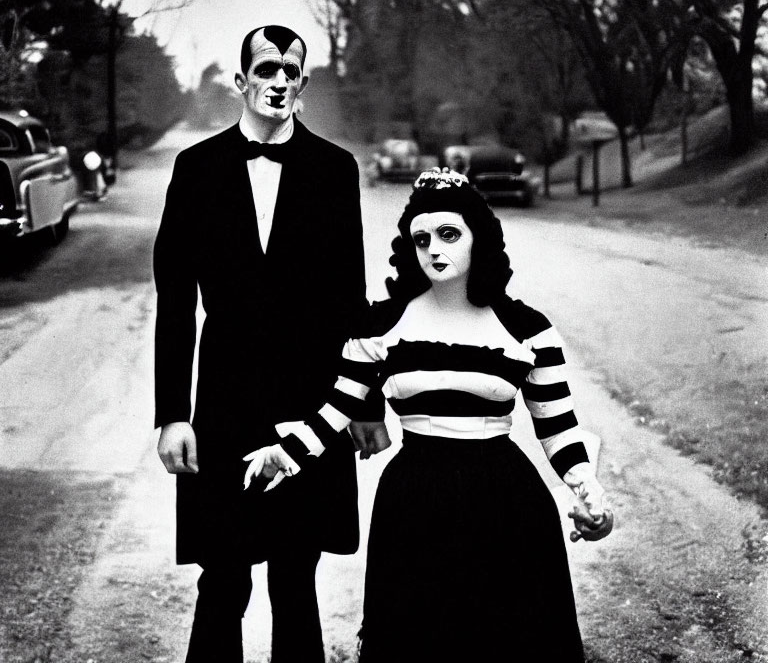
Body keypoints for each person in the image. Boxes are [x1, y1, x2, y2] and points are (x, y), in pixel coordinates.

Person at [244, 167, 614, 663]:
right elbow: (336, 411)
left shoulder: (527, 329)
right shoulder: (381, 326)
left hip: (507, 503)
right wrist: (284, 454)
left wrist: (588, 489)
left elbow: (558, 427)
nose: (434, 249)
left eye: (448, 234)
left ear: (477, 238)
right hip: (414, 503)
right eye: (421, 238)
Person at [153, 24, 368, 663]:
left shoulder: (335, 170)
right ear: (242, 81)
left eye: (291, 71)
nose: (278, 80)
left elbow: (349, 297)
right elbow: (175, 301)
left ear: (302, 85)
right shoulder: (195, 169)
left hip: (309, 405)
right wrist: (172, 414)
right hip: (221, 404)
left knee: (294, 576)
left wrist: (364, 403)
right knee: (223, 575)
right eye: (266, 68)